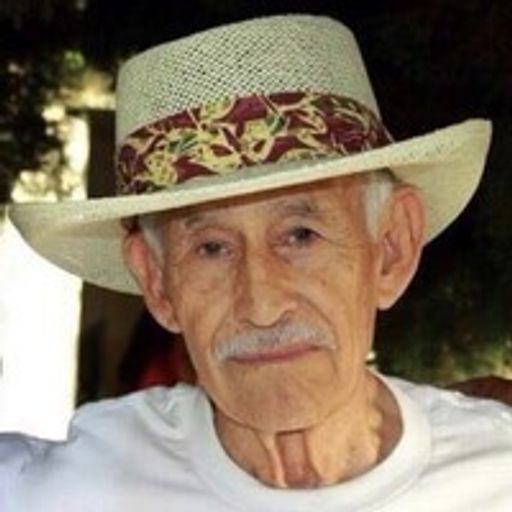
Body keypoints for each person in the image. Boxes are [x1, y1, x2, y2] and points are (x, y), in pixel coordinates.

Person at [2, 14, 512, 511]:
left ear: (392, 247)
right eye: (211, 248)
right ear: (157, 281)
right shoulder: (53, 491)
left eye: (301, 235)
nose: (262, 308)